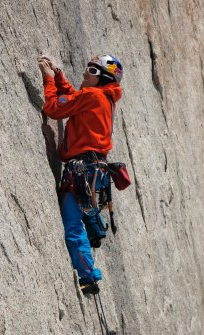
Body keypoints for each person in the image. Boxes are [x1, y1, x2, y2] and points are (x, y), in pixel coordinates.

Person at [38, 54, 123, 294]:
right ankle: (93, 235)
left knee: (73, 226)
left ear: (103, 79)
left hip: (81, 171)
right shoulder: (104, 98)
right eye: (88, 68)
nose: (86, 73)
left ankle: (89, 276)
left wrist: (48, 80)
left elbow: (53, 108)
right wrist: (59, 76)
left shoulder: (93, 95)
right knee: (82, 215)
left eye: (93, 72)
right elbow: (75, 99)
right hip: (94, 171)